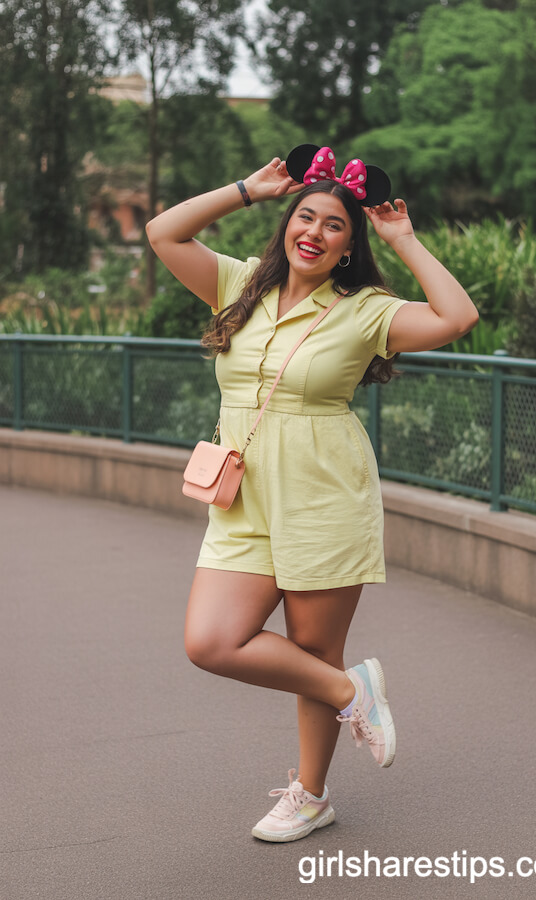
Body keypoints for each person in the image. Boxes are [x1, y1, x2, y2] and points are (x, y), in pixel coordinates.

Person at [145, 147, 478, 843]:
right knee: (211, 641)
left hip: (323, 497)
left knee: (312, 649)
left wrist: (403, 237)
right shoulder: (239, 284)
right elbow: (163, 233)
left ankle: (311, 795)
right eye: (306, 216)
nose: (315, 232)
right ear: (287, 223)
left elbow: (456, 317)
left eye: (334, 226)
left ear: (348, 247)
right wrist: (248, 188)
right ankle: (352, 691)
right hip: (242, 499)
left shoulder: (366, 312)